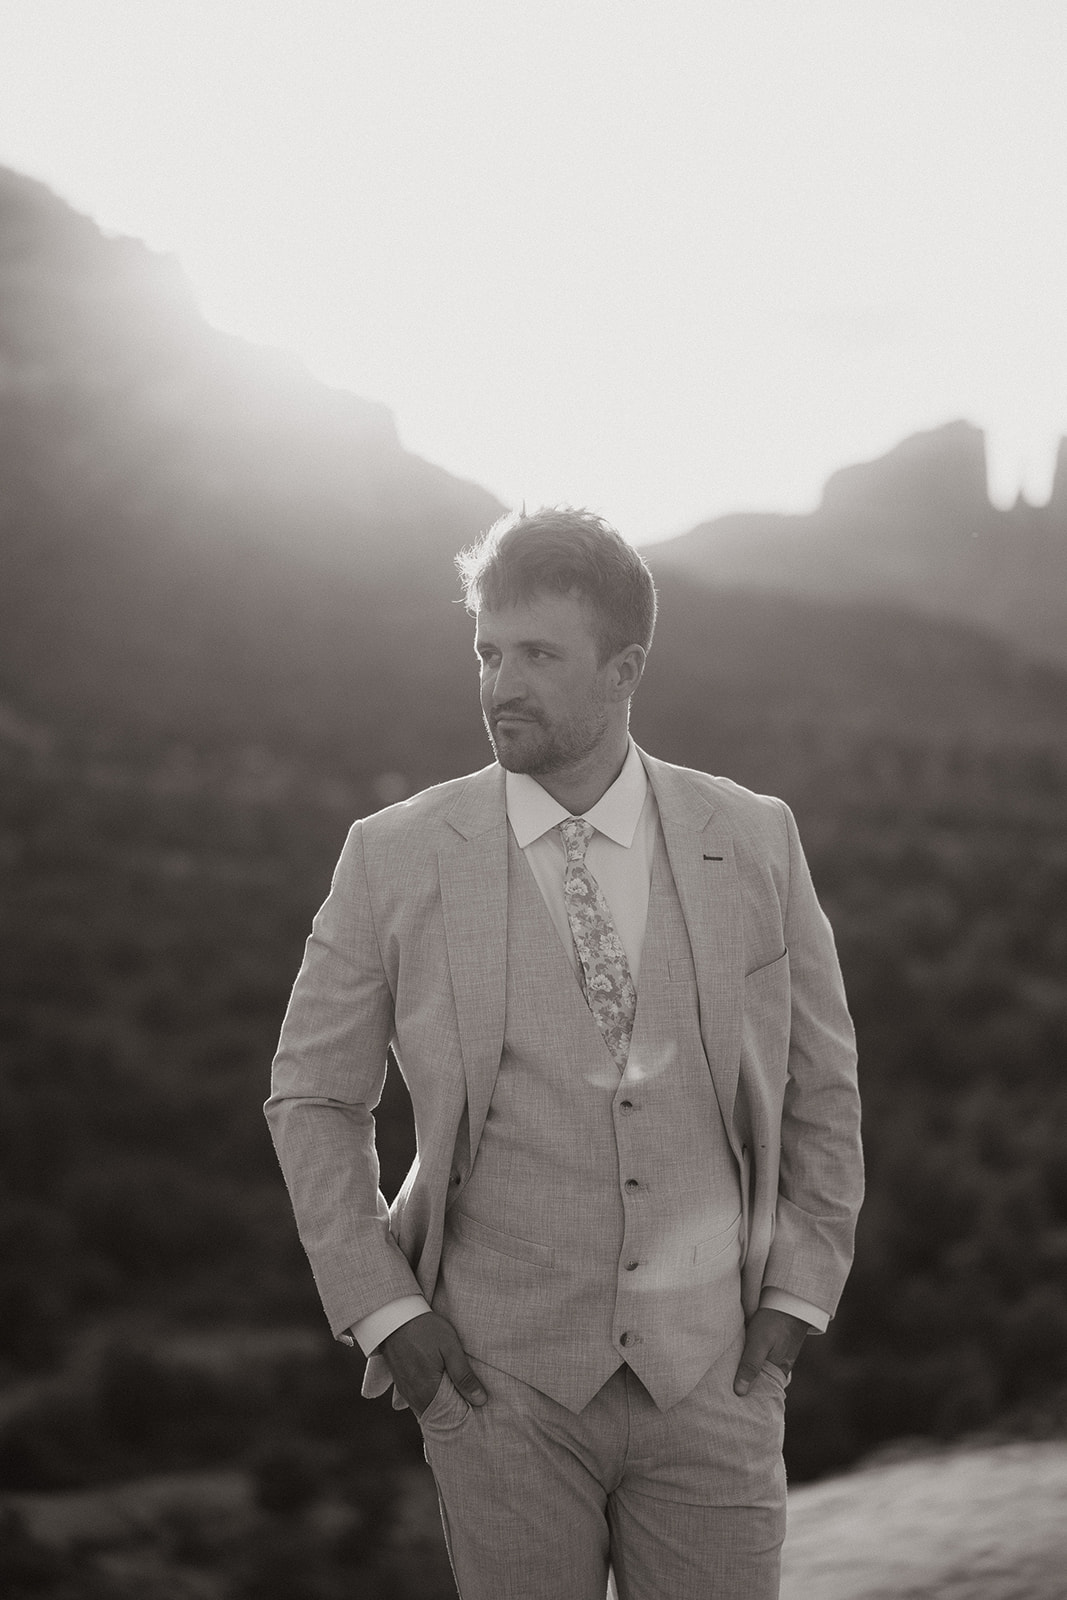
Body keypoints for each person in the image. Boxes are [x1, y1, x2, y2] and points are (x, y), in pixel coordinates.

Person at [265, 507, 863, 1600]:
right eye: (487, 653)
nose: (500, 683)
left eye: (537, 654)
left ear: (624, 666)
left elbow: (819, 1079)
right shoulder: (392, 854)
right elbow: (310, 1093)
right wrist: (385, 1308)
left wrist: (797, 1295)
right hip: (494, 1385)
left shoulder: (752, 837)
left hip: (712, 1375)